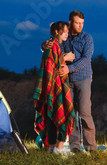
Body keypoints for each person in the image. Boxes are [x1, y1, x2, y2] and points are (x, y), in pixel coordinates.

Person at [42, 10, 97, 153]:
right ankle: (75, 147)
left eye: (82, 23)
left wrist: (69, 68)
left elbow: (86, 59)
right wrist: (43, 46)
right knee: (70, 114)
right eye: (77, 23)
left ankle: (91, 147)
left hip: (83, 78)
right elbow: (53, 49)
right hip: (66, 81)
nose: (80, 26)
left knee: (85, 112)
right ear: (71, 22)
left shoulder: (87, 38)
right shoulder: (64, 36)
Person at [33, 21, 76, 155]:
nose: (67, 34)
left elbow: (54, 61)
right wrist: (66, 58)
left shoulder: (55, 44)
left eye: (68, 32)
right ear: (57, 32)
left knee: (52, 115)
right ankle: (56, 147)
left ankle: (53, 147)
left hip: (54, 85)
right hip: (54, 85)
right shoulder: (52, 45)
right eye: (65, 31)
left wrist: (63, 59)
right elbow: (50, 64)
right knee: (57, 113)